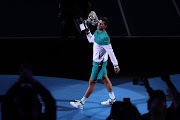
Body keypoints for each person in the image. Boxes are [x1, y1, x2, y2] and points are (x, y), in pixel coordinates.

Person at [70, 17, 120, 109]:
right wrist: (88, 31)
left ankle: (81, 103)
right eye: (99, 23)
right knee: (105, 79)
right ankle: (113, 99)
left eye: (101, 24)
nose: (99, 24)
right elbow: (91, 40)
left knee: (92, 82)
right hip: (99, 62)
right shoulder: (97, 32)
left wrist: (115, 65)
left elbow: (111, 52)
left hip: (99, 64)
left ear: (105, 26)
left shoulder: (105, 38)